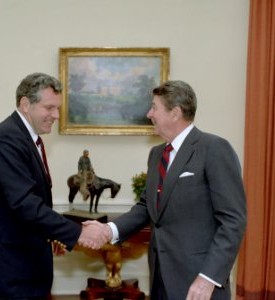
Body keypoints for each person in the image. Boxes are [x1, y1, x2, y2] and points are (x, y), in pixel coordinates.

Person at [84, 80, 247, 300]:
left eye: (154, 107)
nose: (149, 113)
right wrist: (108, 230)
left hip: (199, 283)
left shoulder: (214, 149)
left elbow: (233, 220)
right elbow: (145, 208)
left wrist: (208, 278)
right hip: (160, 278)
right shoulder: (157, 154)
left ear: (175, 113)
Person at [0, 73, 109, 300]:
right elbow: (24, 203)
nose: (56, 115)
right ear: (25, 104)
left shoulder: (23, 136)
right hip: (5, 263)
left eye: (58, 108)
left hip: (15, 258)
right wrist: (78, 232)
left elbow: (27, 201)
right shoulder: (8, 139)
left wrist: (51, 234)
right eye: (49, 107)